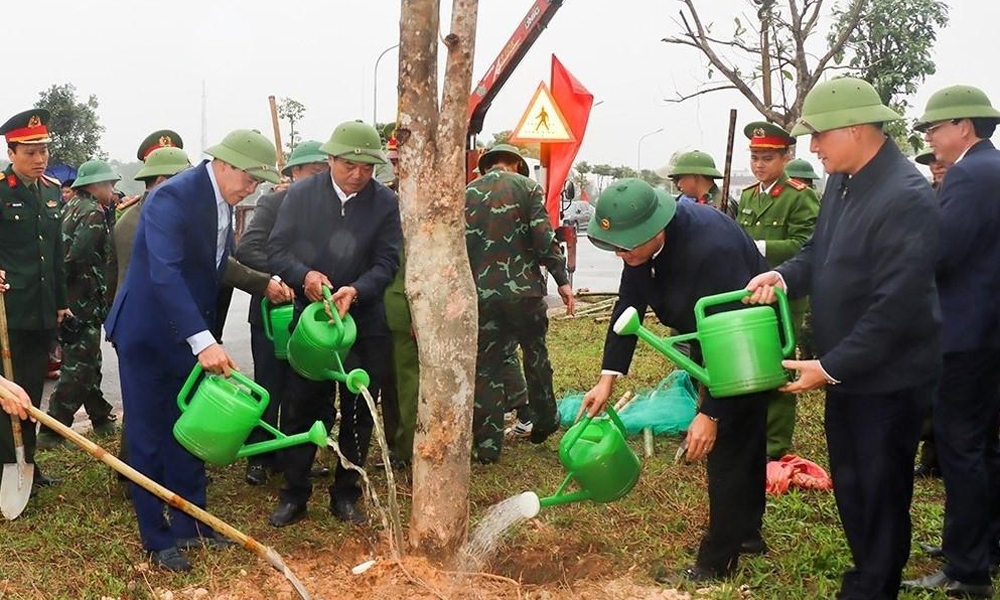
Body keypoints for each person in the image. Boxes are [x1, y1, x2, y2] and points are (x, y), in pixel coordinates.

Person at [744, 77, 940, 600]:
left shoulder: (905, 195)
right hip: (850, 372)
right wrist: (783, 277)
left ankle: (874, 587)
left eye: (818, 136)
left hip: (887, 379)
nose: (811, 148)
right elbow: (818, 253)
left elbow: (895, 308)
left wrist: (829, 366)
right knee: (853, 487)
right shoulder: (846, 182)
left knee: (879, 491)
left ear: (854, 130)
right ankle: (867, 575)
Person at [105, 129, 281, 572]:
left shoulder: (223, 202)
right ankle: (156, 537)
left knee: (189, 427)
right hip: (147, 334)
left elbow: (216, 268)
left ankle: (193, 524)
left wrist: (200, 335)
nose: (252, 189)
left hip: (187, 333)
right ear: (224, 164)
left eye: (259, 182)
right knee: (147, 435)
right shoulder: (172, 198)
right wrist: (203, 341)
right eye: (250, 179)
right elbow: (164, 275)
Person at [577, 177, 769, 582]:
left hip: (743, 338)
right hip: (711, 335)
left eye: (628, 247)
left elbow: (730, 334)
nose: (621, 255)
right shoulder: (640, 250)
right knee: (746, 435)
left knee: (730, 445)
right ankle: (746, 534)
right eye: (615, 247)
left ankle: (716, 564)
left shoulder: (710, 249)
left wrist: (710, 413)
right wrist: (607, 378)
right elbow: (627, 306)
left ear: (655, 228)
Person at [267, 120, 401, 527]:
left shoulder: (384, 203)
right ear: (329, 160)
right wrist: (304, 275)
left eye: (367, 168)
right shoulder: (302, 195)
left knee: (360, 408)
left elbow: (388, 262)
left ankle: (346, 493)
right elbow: (277, 249)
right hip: (313, 323)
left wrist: (356, 290)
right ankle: (294, 492)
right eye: (348, 166)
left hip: (363, 323)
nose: (358, 175)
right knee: (303, 406)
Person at [903, 85, 1000, 599]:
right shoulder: (994, 168)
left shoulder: (968, 174)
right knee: (986, 447)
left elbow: (941, 253)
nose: (930, 138)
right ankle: (986, 545)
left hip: (964, 336)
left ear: (964, 126)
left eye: (934, 128)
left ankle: (967, 571)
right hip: (990, 330)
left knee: (961, 449)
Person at [465, 144, 574, 464]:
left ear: (487, 166)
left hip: (483, 297)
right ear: (514, 164)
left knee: (486, 368)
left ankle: (487, 448)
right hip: (525, 295)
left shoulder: (468, 192)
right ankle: (544, 419)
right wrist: (563, 281)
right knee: (535, 355)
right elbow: (544, 238)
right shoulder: (528, 188)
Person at [235, 140, 326, 486]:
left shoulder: (327, 208)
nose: (319, 178)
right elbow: (248, 249)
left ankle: (293, 455)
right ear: (294, 172)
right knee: (269, 385)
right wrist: (284, 276)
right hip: (274, 311)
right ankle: (258, 454)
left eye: (323, 172)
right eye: (312, 171)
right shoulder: (273, 202)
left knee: (302, 387)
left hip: (310, 315)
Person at [737, 121, 820, 460]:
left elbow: (807, 245)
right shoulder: (746, 195)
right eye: (755, 157)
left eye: (767, 158)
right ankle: (750, 432)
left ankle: (774, 445)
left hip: (785, 293)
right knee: (749, 361)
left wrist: (759, 246)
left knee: (780, 365)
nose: (759, 165)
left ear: (786, 157)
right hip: (750, 292)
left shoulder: (799, 196)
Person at [0, 108, 69, 490]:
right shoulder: (0, 190)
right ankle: (5, 462)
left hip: (42, 309)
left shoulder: (52, 191)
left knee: (31, 390)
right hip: (7, 311)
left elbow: (56, 252)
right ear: (12, 152)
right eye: (31, 152)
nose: (40, 158)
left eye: (43, 150)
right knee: (7, 392)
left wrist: (60, 302)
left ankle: (28, 460)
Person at [36, 161, 121, 449]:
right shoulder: (93, 212)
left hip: (72, 297)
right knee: (79, 366)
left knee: (89, 360)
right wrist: (66, 296)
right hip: (81, 300)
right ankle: (53, 430)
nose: (113, 190)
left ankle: (100, 417)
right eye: (109, 185)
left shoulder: (72, 205)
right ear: (95, 186)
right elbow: (78, 256)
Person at [667, 150, 736, 217]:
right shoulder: (703, 203)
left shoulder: (720, 205)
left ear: (695, 177)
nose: (679, 184)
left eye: (681, 177)